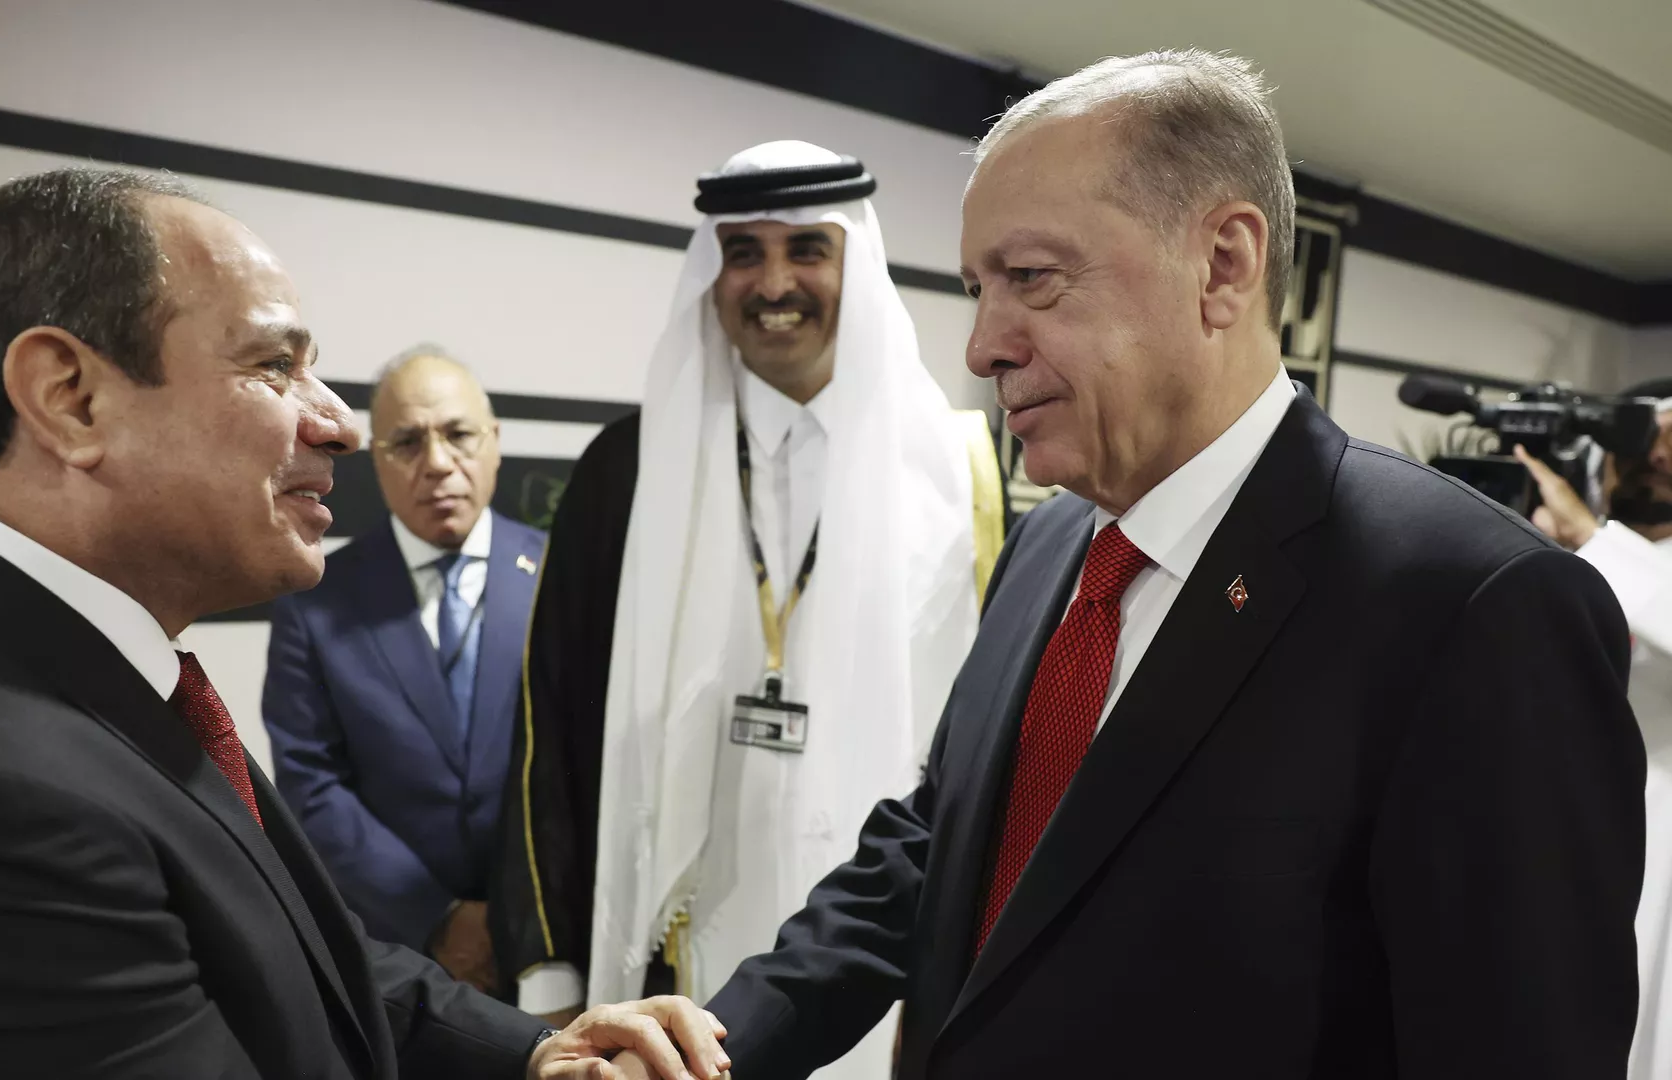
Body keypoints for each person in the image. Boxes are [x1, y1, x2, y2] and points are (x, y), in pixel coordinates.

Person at [628, 49, 1635, 1079]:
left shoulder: (1474, 606)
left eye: (1031, 278)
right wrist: (710, 1048)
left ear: (1223, 266)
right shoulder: (1048, 545)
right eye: (978, 289)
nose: (981, 346)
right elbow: (940, 846)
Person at [0, 168, 727, 1080]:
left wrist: (537, 1054)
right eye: (275, 365)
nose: (339, 425)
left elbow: (284, 946)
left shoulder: (67, 659)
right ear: (70, 399)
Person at [489, 141, 1004, 1078]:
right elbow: (548, 730)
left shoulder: (955, 473)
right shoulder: (628, 471)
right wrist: (549, 971)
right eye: (743, 253)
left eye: (806, 248)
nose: (773, 283)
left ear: (855, 262)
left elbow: (983, 755)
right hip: (670, 960)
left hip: (883, 971)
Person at [264, 345, 545, 992]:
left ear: (495, 441)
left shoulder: (565, 577)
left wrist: (531, 918)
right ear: (377, 459)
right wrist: (439, 918)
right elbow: (312, 785)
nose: (438, 464)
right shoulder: (317, 601)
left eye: (459, 435)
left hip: (556, 944)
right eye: (408, 442)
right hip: (399, 959)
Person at [1516, 384, 1672, 1080]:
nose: (1657, 456)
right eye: (1638, 437)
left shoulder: (1604, 553)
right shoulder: (1547, 559)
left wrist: (1593, 541)